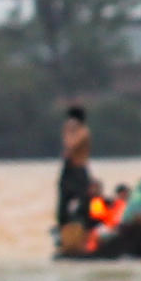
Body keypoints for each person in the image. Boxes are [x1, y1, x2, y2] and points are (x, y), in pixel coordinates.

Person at [55, 106, 98, 253]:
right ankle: (64, 239)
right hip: (68, 171)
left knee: (84, 206)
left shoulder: (83, 132)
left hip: (79, 172)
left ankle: (84, 239)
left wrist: (69, 130)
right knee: (62, 208)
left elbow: (71, 145)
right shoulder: (70, 131)